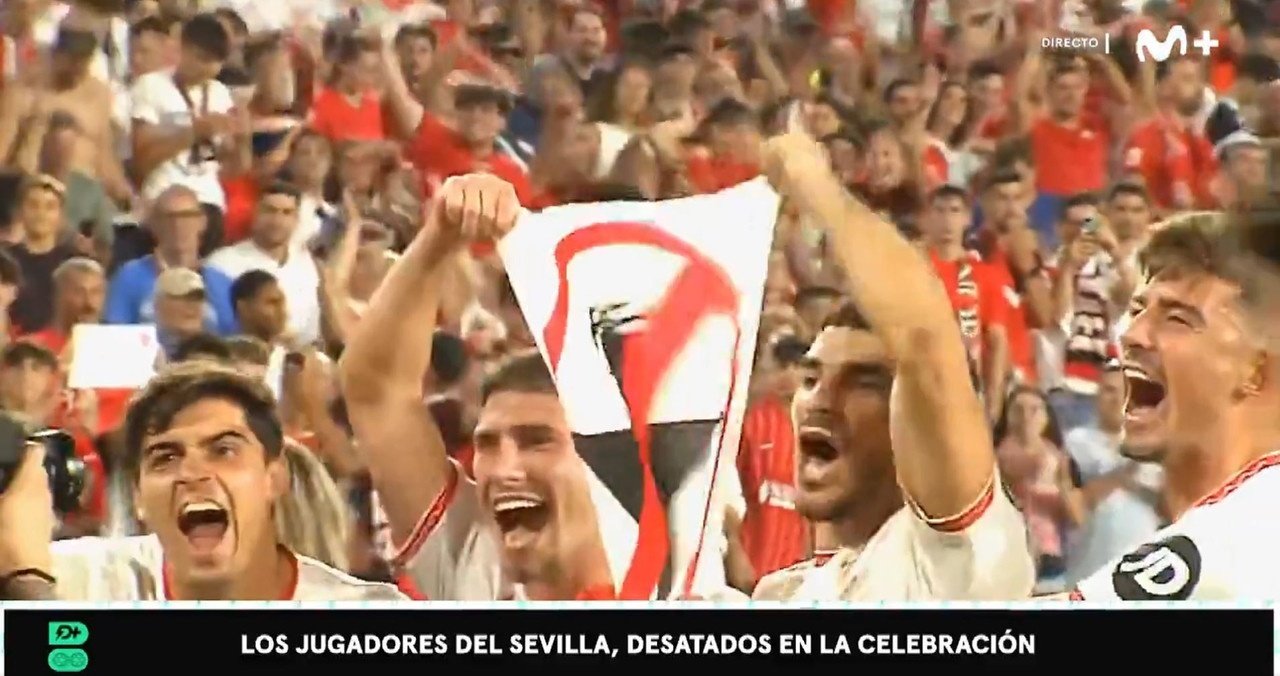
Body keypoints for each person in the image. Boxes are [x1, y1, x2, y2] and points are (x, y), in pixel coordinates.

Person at [751, 133, 1033, 601]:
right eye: (810, 378)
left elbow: (924, 341)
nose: (820, 399)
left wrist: (816, 185)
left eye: (862, 383)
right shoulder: (785, 594)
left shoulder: (961, 549)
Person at [341, 173, 619, 600]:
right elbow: (377, 390)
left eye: (537, 441)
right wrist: (440, 237)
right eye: (487, 444)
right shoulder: (475, 562)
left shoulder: (684, 583)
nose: (504, 470)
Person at [0, 361, 406, 600]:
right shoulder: (79, 581)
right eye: (166, 457)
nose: (192, 473)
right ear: (138, 496)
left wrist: (28, 592)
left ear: (274, 477)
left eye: (224, 450)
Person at [1060, 208, 1280, 601]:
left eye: (1177, 319)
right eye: (1137, 311)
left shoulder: (1253, 524)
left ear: (1255, 370)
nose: (1131, 334)